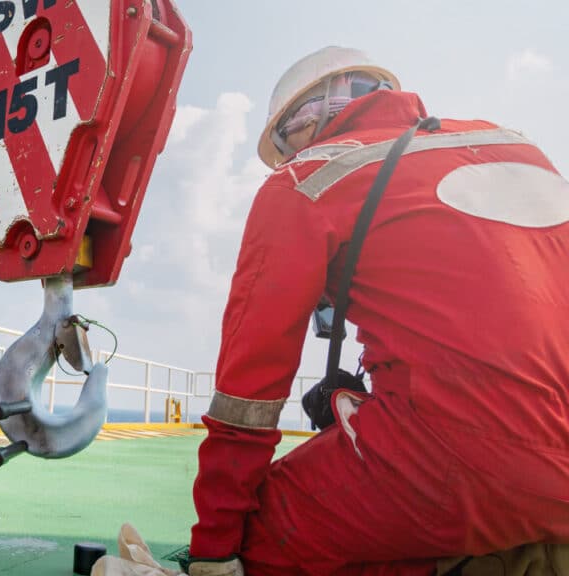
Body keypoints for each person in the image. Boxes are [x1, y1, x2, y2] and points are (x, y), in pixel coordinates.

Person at [186, 47, 569, 575]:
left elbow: (247, 393)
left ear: (309, 116)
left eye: (282, 142)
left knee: (270, 534)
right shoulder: (513, 145)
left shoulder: (306, 178)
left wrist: (215, 544)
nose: (285, 156)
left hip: (466, 456)